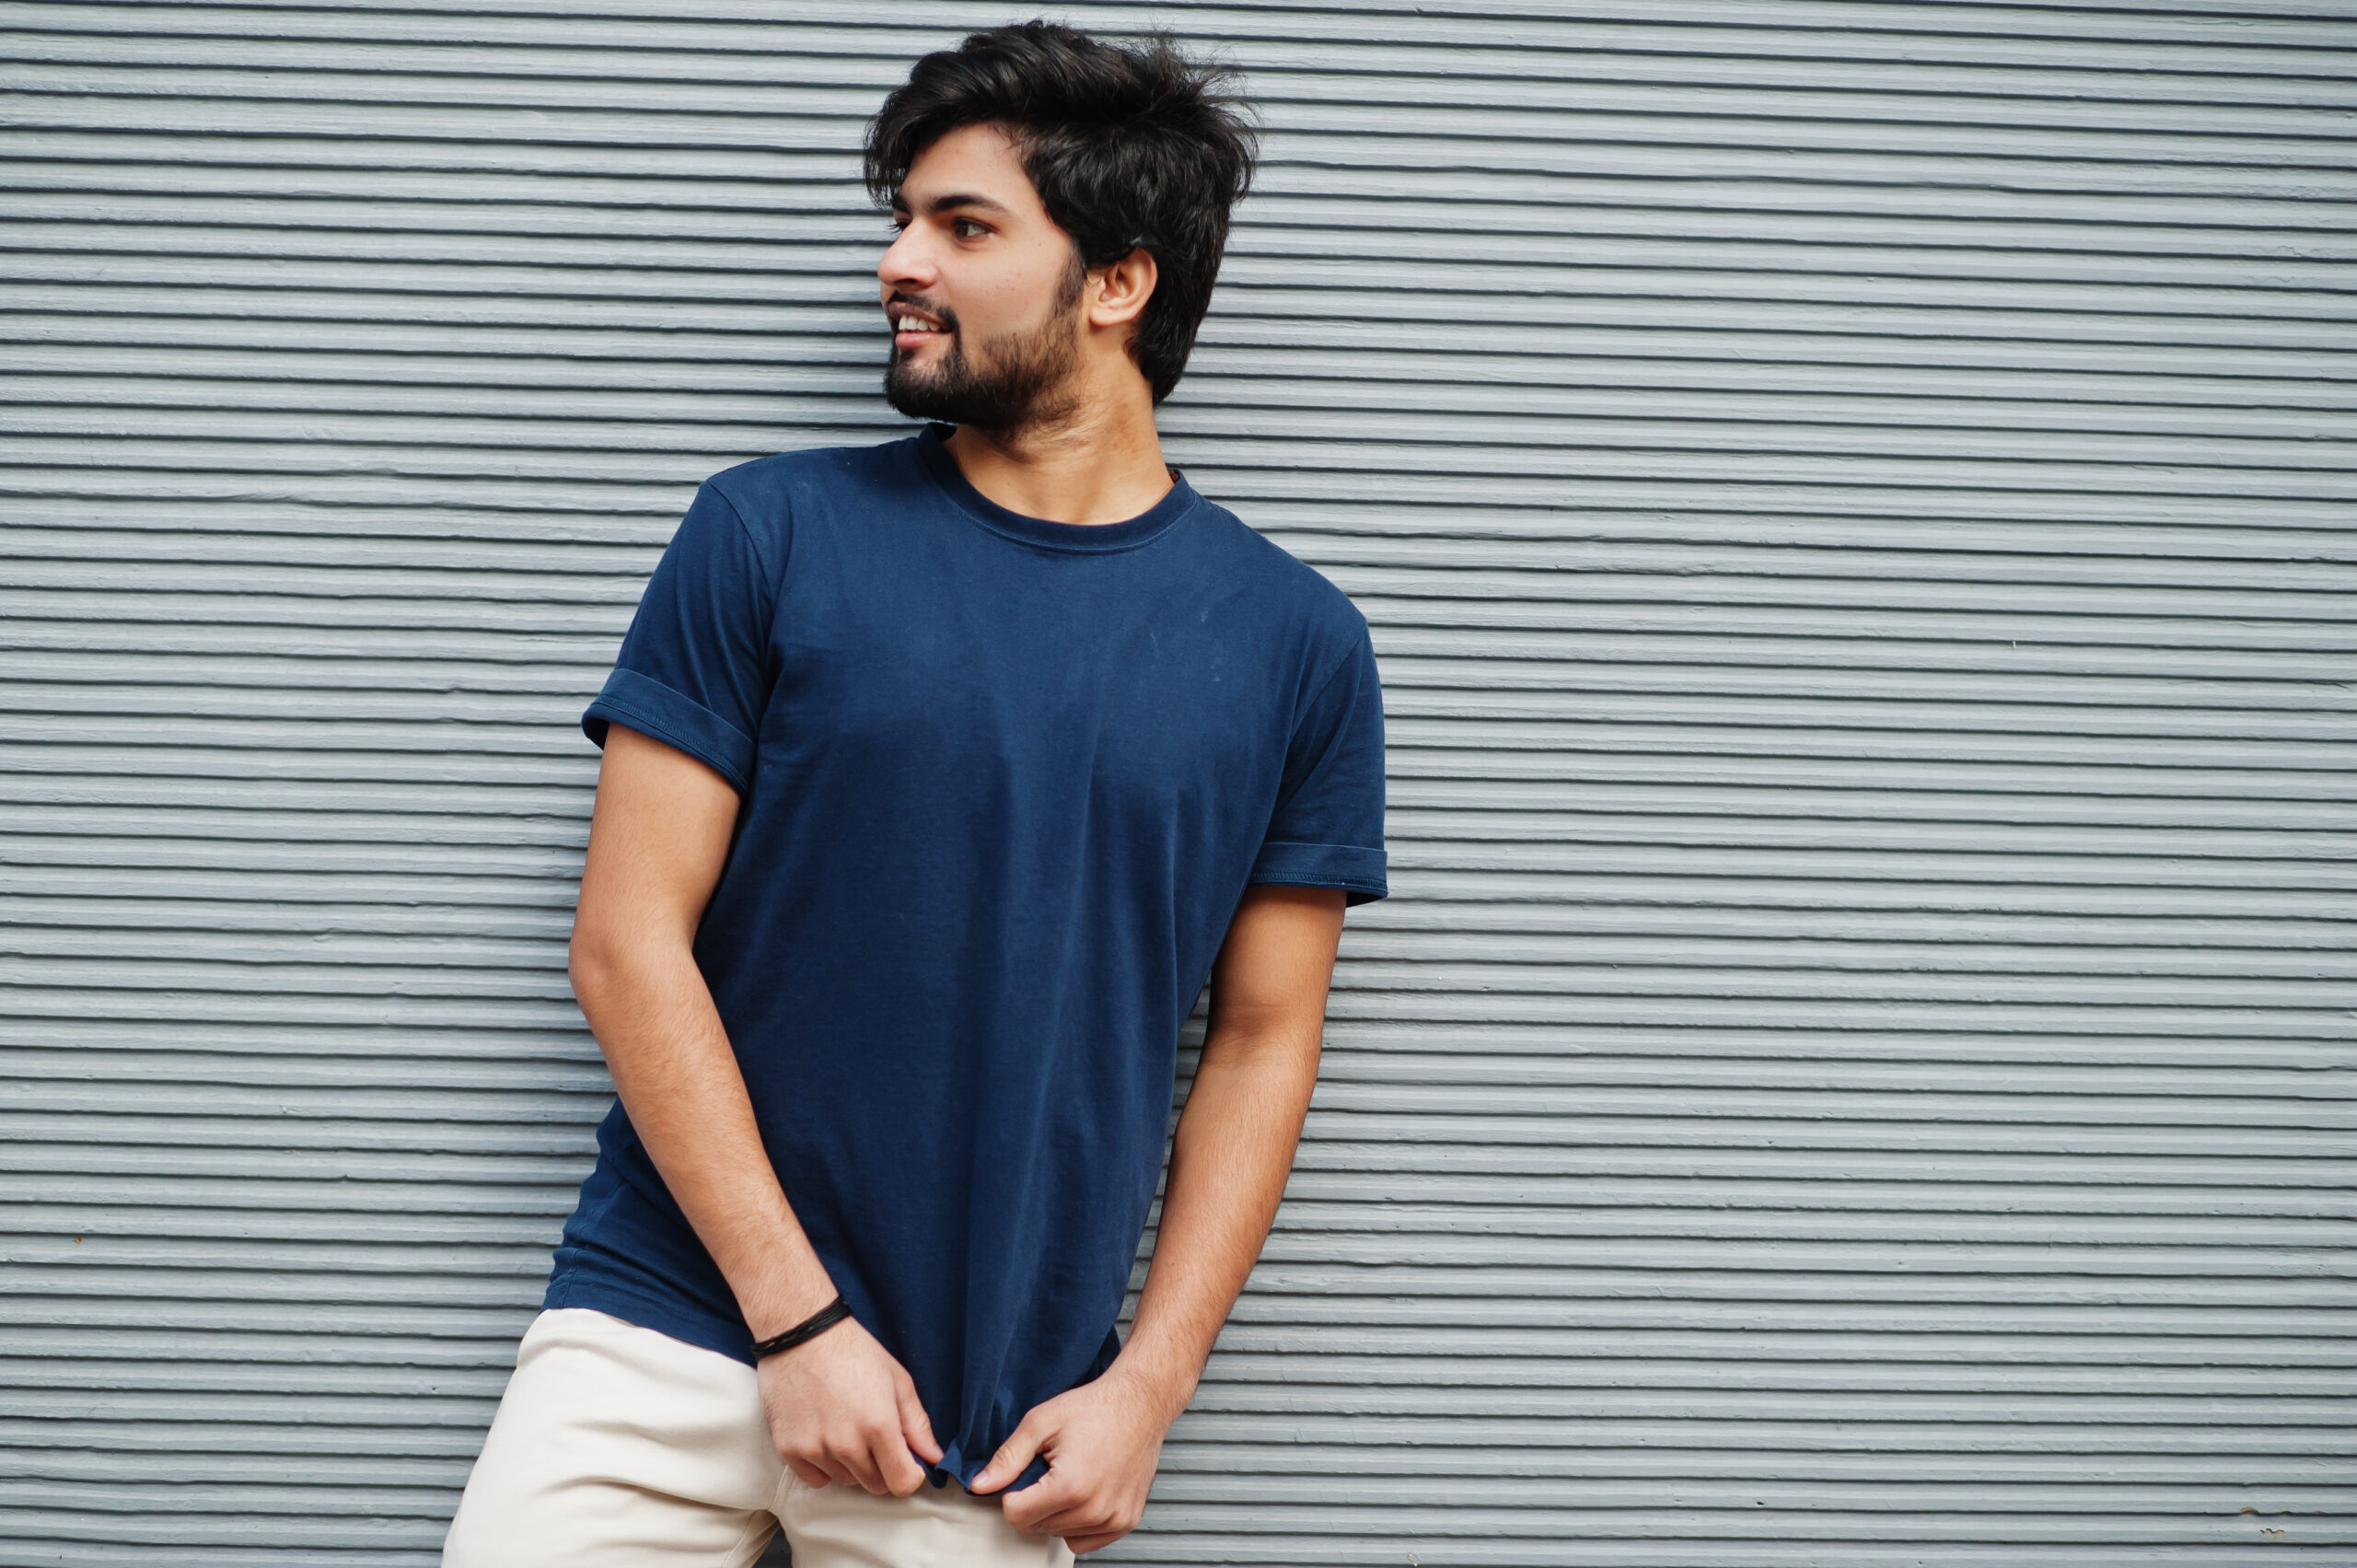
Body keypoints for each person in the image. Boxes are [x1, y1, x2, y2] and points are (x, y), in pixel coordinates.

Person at [441, 20, 1387, 1568]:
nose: (897, 262)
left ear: (1116, 282)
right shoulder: (768, 534)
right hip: (661, 1335)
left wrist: (1150, 1386)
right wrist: (796, 1317)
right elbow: (625, 942)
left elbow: (1268, 1034)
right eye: (902, 220)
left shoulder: (1296, 644)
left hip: (992, 1412)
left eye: (963, 226)